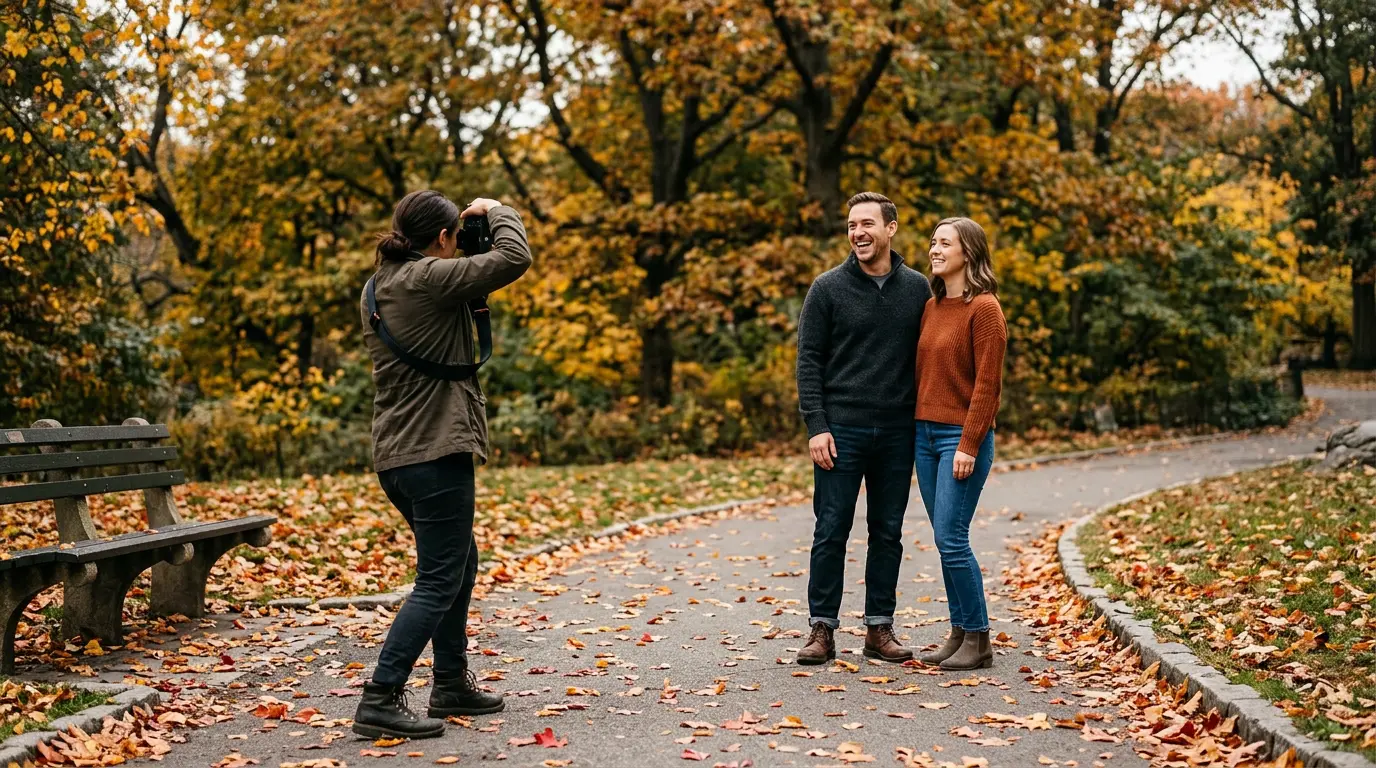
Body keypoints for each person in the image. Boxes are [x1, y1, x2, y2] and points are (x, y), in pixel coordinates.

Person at [353, 190, 532, 739]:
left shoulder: (379, 284)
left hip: (399, 457)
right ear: (440, 238)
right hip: (434, 452)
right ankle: (380, 696)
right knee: (437, 577)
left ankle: (450, 681)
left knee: (460, 561)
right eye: (455, 234)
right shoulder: (427, 279)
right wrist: (496, 210)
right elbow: (514, 258)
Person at [794, 192, 933, 665]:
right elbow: (809, 360)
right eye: (852, 225)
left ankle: (879, 628)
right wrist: (816, 425)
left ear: (891, 228)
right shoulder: (827, 288)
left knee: (887, 531)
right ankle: (822, 629)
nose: (858, 233)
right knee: (831, 529)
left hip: (897, 432)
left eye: (868, 224)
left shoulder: (918, 289)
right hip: (841, 431)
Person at [913, 217, 1007, 671]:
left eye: (943, 243)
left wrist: (969, 443)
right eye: (933, 241)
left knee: (952, 538)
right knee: (941, 536)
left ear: (967, 252)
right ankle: (959, 631)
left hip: (960, 436)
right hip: (924, 435)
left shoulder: (985, 308)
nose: (934, 249)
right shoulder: (932, 306)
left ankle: (980, 638)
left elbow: (988, 384)